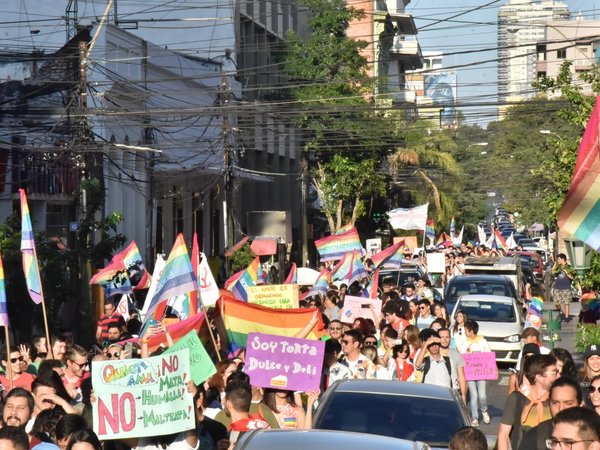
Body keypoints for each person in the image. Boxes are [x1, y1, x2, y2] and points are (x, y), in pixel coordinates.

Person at [497, 354, 559, 450]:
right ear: (539, 377)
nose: (558, 375)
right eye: (554, 372)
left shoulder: (557, 399)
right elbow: (503, 435)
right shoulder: (517, 398)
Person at [518, 377, 583, 450]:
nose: (561, 408)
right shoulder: (535, 436)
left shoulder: (591, 434)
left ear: (580, 405)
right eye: (555, 403)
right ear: (549, 403)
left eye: (568, 403)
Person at [458, 320, 491, 426]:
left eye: (466, 330)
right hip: (470, 372)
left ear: (471, 331)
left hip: (481, 372)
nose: (465, 333)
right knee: (473, 395)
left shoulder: (482, 341)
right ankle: (475, 417)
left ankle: (484, 410)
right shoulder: (465, 342)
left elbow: (488, 354)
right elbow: (461, 355)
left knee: (482, 395)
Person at [551, 253, 574, 322]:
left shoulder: (569, 267)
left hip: (566, 287)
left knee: (566, 303)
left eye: (558, 259)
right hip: (557, 287)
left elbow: (572, 277)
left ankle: (566, 317)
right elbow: (552, 273)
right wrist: (555, 265)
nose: (557, 260)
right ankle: (560, 311)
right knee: (557, 303)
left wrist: (566, 272)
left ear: (563, 259)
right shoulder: (558, 267)